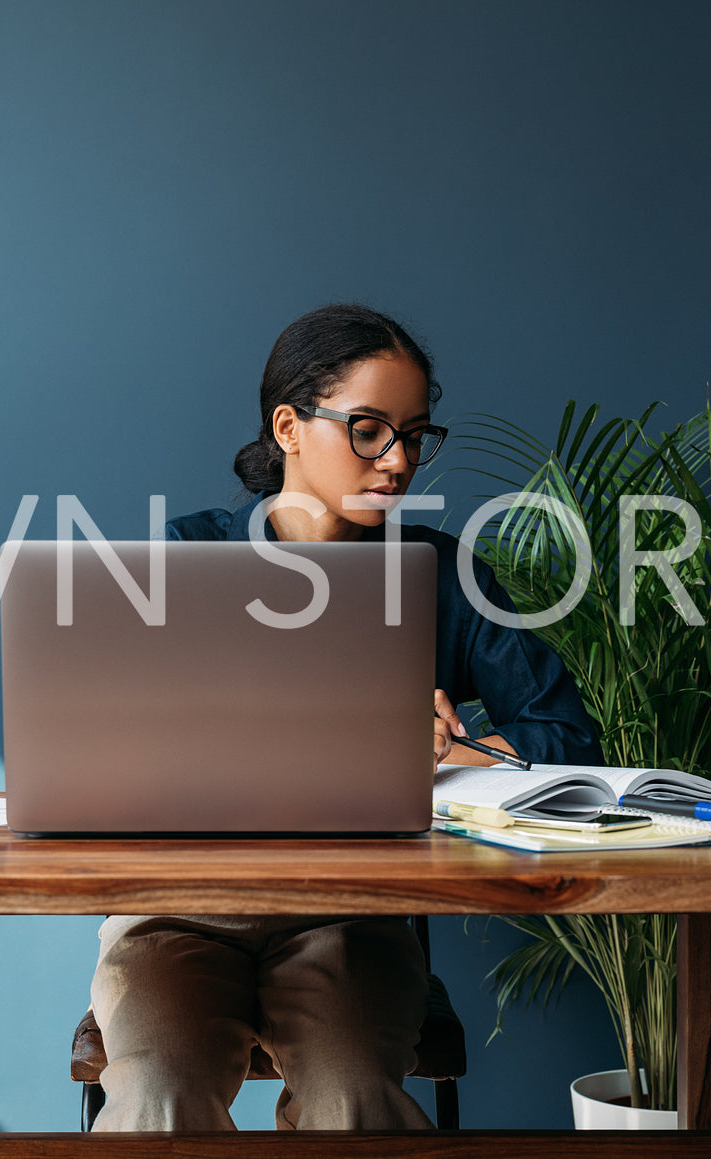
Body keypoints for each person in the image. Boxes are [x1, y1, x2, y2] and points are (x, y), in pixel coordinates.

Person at [89, 302, 601, 1132]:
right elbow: (98, 750)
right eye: (367, 429)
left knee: (354, 1104)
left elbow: (569, 739)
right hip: (176, 911)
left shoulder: (442, 574)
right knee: (155, 1099)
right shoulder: (179, 561)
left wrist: (453, 751)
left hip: (354, 914)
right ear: (288, 425)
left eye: (413, 433)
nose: (397, 460)